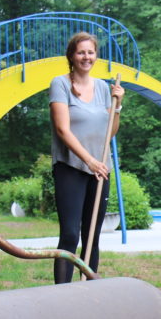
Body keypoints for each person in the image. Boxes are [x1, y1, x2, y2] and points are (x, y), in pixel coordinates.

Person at [49, 32, 125, 283]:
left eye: (90, 52)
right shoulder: (60, 84)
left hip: (100, 169)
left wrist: (118, 106)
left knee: (92, 236)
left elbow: (109, 132)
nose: (86, 57)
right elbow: (63, 130)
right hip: (71, 168)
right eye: (81, 52)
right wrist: (88, 161)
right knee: (70, 234)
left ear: (96, 55)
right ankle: (62, 293)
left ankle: (88, 292)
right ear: (72, 55)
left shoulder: (103, 87)